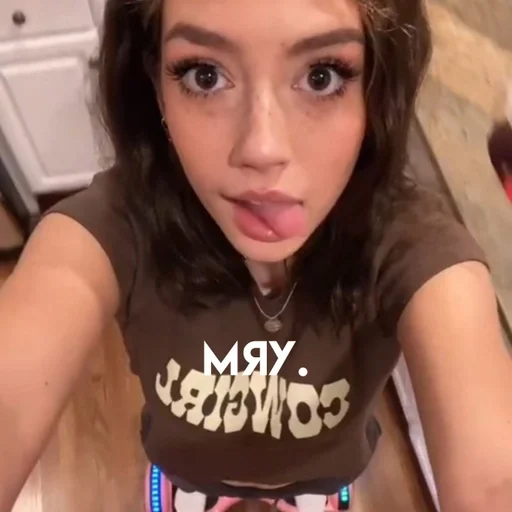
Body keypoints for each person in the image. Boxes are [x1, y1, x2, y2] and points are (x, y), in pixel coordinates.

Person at [1, 1, 511, 511]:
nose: (262, 149)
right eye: (204, 75)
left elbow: (494, 478)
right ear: (155, 85)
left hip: (324, 475)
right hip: (188, 468)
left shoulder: (412, 244)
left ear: (376, 90)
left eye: (321, 76)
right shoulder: (115, 226)